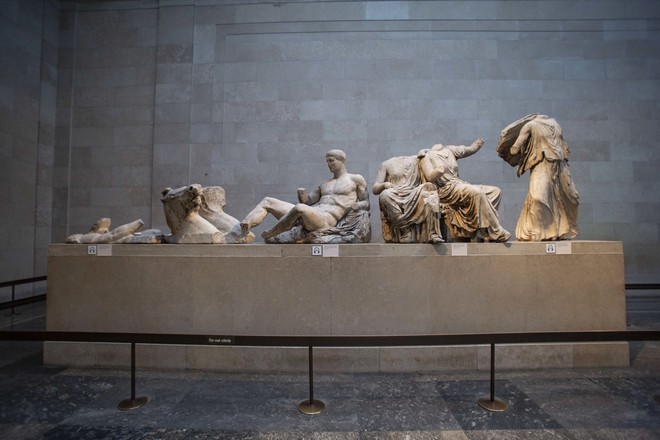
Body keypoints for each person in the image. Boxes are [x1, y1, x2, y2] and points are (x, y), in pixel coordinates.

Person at [240, 150, 370, 242]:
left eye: (332, 160)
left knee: (299, 208)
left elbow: (366, 202)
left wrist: (356, 205)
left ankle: (272, 233)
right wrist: (301, 193)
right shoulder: (324, 183)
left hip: (326, 220)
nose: (329, 164)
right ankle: (244, 227)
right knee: (268, 201)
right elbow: (307, 201)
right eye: (327, 161)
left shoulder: (355, 179)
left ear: (342, 161)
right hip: (311, 215)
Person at [418, 137, 511, 242]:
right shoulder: (426, 156)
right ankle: (495, 231)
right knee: (477, 193)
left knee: (495, 191)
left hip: (459, 185)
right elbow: (429, 177)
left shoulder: (450, 150)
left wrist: (478, 144)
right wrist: (439, 171)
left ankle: (483, 229)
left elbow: (470, 149)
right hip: (446, 190)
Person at [506, 114, 579, 241]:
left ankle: (561, 230)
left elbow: (564, 146)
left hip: (560, 166)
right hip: (541, 164)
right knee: (538, 197)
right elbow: (514, 149)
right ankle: (538, 231)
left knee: (571, 198)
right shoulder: (530, 125)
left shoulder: (556, 125)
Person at [372, 154, 443, 243]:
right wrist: (384, 185)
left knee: (431, 196)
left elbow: (430, 174)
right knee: (384, 195)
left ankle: (432, 233)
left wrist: (424, 154)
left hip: (414, 193)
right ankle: (404, 228)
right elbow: (375, 189)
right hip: (395, 193)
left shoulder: (418, 160)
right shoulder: (386, 164)